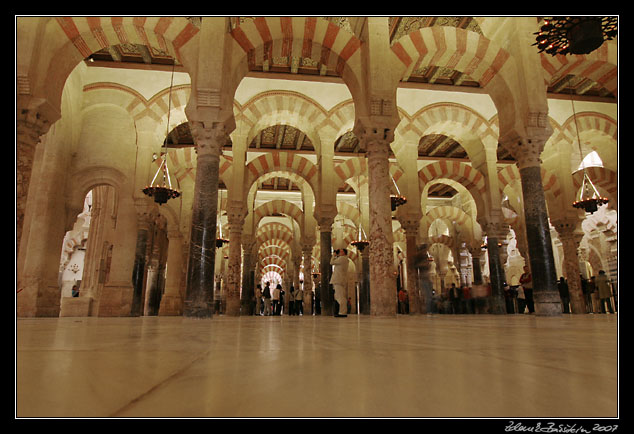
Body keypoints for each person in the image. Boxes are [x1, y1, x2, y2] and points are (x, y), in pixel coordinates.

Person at [330, 248, 349, 317]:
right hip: (340, 280)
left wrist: (334, 255)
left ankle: (342, 312)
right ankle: (342, 312)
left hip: (338, 280)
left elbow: (331, 262)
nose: (339, 252)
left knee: (340, 297)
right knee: (340, 296)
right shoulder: (344, 259)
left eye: (341, 251)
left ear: (344, 253)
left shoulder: (342, 259)